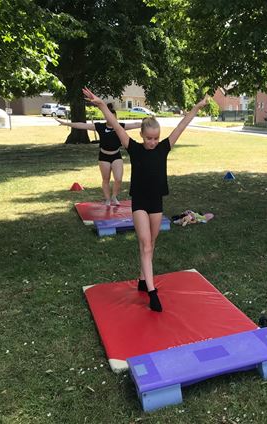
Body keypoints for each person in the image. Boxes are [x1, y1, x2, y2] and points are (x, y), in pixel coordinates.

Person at [83, 87, 208, 312]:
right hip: (139, 203)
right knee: (145, 244)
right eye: (149, 138)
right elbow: (116, 125)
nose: (152, 142)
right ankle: (152, 292)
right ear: (142, 135)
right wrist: (102, 105)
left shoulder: (163, 148)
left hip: (156, 203)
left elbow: (181, 125)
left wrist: (197, 107)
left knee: (152, 243)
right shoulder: (134, 148)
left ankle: (142, 279)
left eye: (156, 138)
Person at [55, 104, 142, 206]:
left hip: (116, 155)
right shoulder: (100, 126)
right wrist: (66, 124)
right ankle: (108, 199)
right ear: (106, 117)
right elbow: (83, 125)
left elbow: (136, 124)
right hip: (104, 156)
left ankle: (114, 197)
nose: (112, 119)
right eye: (109, 116)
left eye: (114, 117)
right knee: (106, 179)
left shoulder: (120, 126)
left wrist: (148, 122)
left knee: (118, 179)